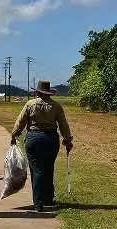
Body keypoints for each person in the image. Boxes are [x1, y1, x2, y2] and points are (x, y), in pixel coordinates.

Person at [11, 80, 73, 212]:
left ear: (37, 92)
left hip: (34, 138)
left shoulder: (30, 104)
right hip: (51, 138)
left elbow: (20, 122)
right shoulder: (55, 106)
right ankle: (48, 199)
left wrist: (14, 134)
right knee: (48, 168)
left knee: (36, 169)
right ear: (49, 92)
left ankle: (38, 201)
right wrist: (68, 139)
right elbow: (63, 125)